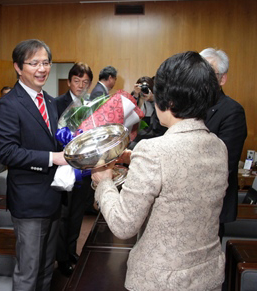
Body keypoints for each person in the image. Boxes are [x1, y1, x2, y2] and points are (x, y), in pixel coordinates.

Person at [91, 51, 229, 290]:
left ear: (170, 101)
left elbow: (123, 225)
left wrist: (104, 182)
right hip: (207, 276)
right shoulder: (218, 146)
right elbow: (182, 177)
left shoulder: (154, 150)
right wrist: (137, 159)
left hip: (161, 281)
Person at [0, 39, 67, 290]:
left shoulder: (50, 101)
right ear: (18, 67)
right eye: (34, 63)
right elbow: (7, 153)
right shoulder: (7, 105)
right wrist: (52, 158)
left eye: (46, 62)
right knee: (28, 270)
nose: (42, 68)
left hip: (54, 196)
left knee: (46, 268)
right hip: (29, 201)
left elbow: (52, 140)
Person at [200, 48, 247, 239]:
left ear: (222, 79)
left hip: (211, 205)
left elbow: (223, 163)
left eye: (209, 73)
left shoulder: (232, 111)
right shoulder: (189, 107)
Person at [55, 62, 94, 276]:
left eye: (85, 81)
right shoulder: (57, 103)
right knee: (64, 215)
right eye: (77, 80)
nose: (81, 85)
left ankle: (71, 251)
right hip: (64, 167)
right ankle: (61, 259)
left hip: (84, 168)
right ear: (69, 81)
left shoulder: (91, 105)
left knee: (78, 214)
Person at [129, 76, 167, 148]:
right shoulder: (134, 97)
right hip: (136, 133)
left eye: (146, 87)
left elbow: (161, 117)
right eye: (142, 87)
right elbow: (129, 113)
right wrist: (136, 96)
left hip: (152, 134)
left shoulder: (157, 99)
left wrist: (153, 99)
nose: (143, 90)